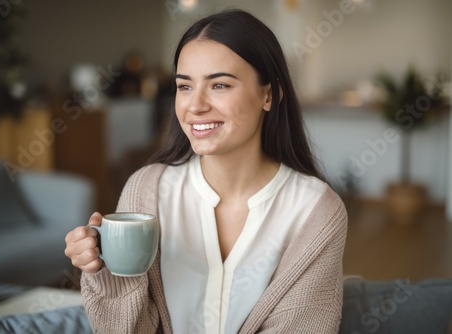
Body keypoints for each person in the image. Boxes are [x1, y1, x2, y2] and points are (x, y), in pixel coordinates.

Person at [64, 9, 347, 334]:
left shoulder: (316, 212)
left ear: (269, 94)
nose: (195, 105)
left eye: (220, 85)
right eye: (184, 87)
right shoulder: (147, 189)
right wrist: (105, 271)